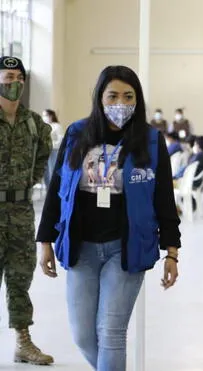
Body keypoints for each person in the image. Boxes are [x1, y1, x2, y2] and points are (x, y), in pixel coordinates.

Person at [36, 65, 181, 371]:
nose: (121, 103)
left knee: (111, 334)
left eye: (129, 97)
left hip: (126, 247)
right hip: (81, 246)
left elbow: (164, 199)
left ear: (137, 101)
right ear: (99, 98)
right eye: (113, 95)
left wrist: (172, 252)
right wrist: (45, 239)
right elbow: (57, 189)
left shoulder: (151, 141)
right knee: (83, 335)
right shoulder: (77, 133)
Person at [0, 56, 54, 365]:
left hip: (21, 210)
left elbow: (41, 164)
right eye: (8, 77)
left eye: (19, 77)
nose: (14, 82)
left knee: (20, 279)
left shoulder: (36, 124)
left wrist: (20, 188)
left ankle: (23, 341)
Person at [42, 109, 64, 186]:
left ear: (51, 116)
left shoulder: (57, 126)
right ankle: (48, 191)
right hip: (44, 152)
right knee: (45, 174)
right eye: (43, 115)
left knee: (52, 171)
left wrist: (50, 144)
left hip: (53, 151)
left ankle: (53, 190)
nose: (43, 117)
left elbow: (60, 140)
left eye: (45, 115)